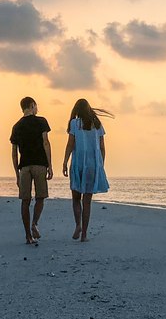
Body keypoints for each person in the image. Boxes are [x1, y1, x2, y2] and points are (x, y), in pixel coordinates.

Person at [61, 98, 112, 242]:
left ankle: (78, 225)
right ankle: (84, 235)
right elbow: (102, 147)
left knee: (76, 198)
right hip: (93, 166)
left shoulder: (74, 124)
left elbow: (70, 145)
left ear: (76, 110)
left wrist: (65, 162)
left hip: (78, 164)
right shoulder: (97, 124)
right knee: (87, 201)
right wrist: (100, 165)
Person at [10, 96, 53, 244]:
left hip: (25, 167)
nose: (37, 109)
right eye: (36, 106)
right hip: (40, 164)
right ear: (32, 105)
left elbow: (14, 153)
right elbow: (46, 143)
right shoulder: (41, 121)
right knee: (40, 197)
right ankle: (34, 223)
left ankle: (28, 236)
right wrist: (50, 165)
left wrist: (16, 173)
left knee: (25, 201)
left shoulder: (16, 126)